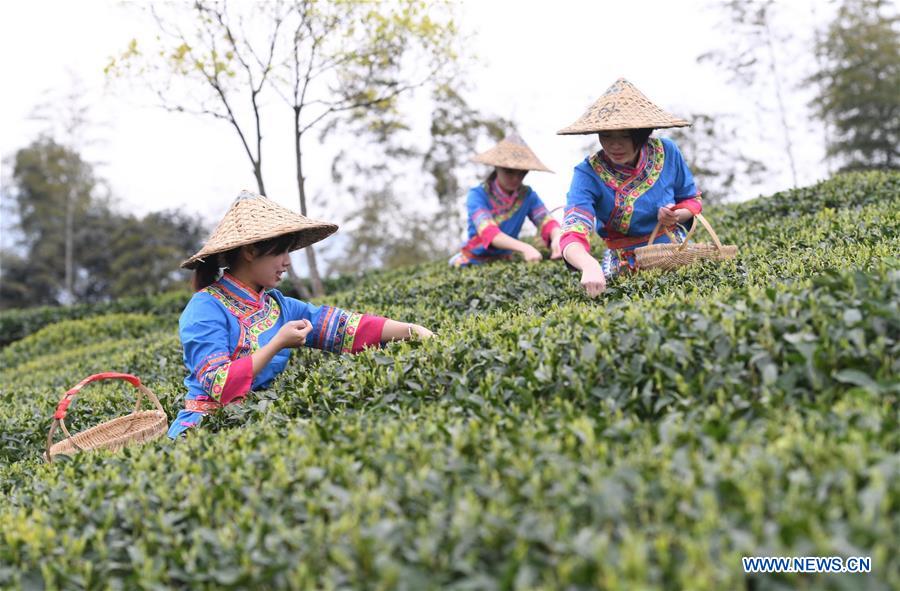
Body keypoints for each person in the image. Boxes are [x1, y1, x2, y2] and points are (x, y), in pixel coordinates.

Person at [168, 190, 433, 438]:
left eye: (289, 251)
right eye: (280, 251)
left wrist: (412, 330)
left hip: (255, 423)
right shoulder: (205, 307)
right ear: (250, 251)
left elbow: (346, 327)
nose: (287, 261)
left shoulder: (280, 306)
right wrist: (277, 344)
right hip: (202, 430)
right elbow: (220, 384)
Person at [556, 78, 703, 297]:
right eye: (606, 136)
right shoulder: (587, 173)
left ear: (642, 133)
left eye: (625, 136)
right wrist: (588, 266)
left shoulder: (668, 151)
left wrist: (675, 215)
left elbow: (692, 200)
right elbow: (573, 229)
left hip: (675, 251)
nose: (615, 145)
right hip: (623, 262)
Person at [450, 132, 563, 267]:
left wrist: (557, 237)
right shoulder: (477, 195)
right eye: (509, 171)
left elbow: (546, 220)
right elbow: (489, 232)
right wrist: (525, 248)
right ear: (496, 167)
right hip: (474, 260)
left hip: (507, 260)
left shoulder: (527, 195)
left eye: (522, 173)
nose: (516, 178)